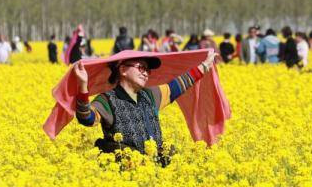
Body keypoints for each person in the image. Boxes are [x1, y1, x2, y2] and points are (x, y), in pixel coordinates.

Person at [73, 51, 217, 155]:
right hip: (124, 171)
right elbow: (86, 118)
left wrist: (204, 66)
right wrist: (83, 86)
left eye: (147, 70)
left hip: (156, 166)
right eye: (141, 67)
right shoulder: (107, 100)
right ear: (123, 69)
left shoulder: (151, 95)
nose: (146, 73)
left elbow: (178, 86)